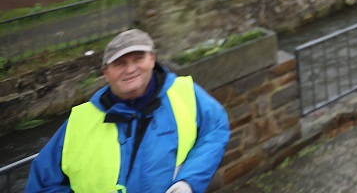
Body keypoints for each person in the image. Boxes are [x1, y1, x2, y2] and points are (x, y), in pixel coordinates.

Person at [26, 29, 230, 193]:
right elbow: (43, 182)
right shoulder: (80, 121)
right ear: (106, 73)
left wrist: (189, 181)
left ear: (152, 59)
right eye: (120, 64)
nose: (130, 69)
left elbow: (216, 130)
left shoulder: (184, 93)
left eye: (138, 59)